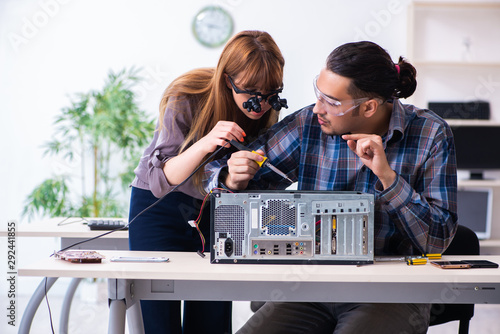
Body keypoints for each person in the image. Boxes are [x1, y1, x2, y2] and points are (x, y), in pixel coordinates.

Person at [204, 41, 458, 334]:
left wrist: (388, 177)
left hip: (392, 291)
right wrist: (231, 178)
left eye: (331, 102)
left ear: (369, 107)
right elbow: (218, 175)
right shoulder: (308, 125)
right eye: (318, 94)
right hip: (311, 286)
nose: (317, 108)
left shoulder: (431, 133)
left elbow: (438, 240)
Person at [128, 30, 286, 334]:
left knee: (212, 316)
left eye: (271, 94)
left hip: (218, 209)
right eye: (252, 92)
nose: (262, 104)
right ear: (228, 79)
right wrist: (205, 143)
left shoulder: (266, 110)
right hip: (160, 207)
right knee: (158, 318)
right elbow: (163, 180)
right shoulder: (187, 94)